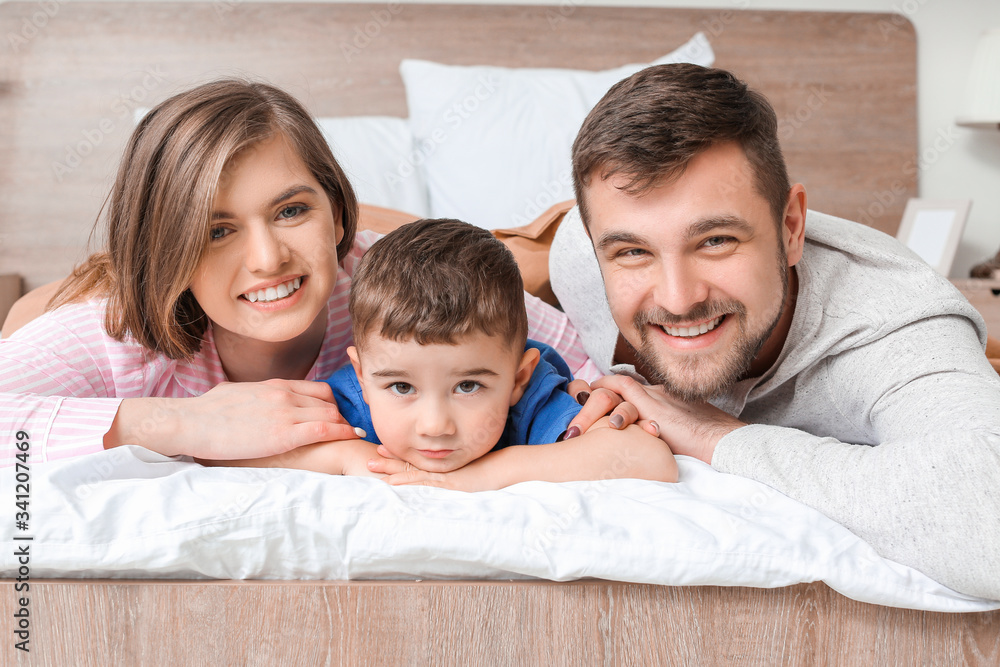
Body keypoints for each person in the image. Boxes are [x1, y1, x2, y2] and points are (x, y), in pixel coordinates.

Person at [554, 63, 1000, 600]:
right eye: (633, 252)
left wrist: (715, 436)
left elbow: (986, 527)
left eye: (715, 240)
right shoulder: (577, 260)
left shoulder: (893, 320)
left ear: (791, 228)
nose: (677, 298)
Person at [0, 79, 599, 467]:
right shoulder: (115, 335)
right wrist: (181, 423)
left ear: (335, 209)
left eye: (291, 210)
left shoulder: (395, 280)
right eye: (217, 230)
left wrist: (611, 401)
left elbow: (598, 369)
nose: (267, 259)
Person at [235, 218, 677, 488]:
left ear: (518, 378)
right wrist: (346, 458)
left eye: (468, 385)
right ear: (363, 376)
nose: (435, 426)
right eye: (401, 386)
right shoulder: (349, 403)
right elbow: (235, 450)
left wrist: (476, 479)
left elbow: (651, 460)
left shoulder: (533, 404)